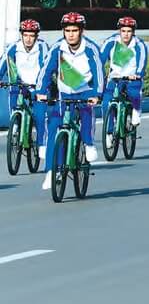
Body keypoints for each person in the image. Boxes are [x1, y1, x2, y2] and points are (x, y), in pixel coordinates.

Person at [35, 13, 105, 190]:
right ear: (63, 31)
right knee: (53, 130)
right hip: (63, 94)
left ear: (82, 31)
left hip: (84, 92)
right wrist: (40, 92)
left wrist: (97, 94)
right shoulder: (57, 48)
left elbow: (99, 72)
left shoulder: (91, 48)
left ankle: (88, 144)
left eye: (75, 30)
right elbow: (45, 70)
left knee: (87, 116)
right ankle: (51, 171)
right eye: (67, 31)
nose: (71, 34)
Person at [1, 19, 50, 159]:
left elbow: (47, 68)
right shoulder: (13, 48)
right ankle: (15, 124)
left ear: (36, 36)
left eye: (32, 36)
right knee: (13, 93)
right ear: (21, 35)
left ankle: (41, 145)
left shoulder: (42, 47)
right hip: (20, 84)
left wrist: (44, 88)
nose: (28, 39)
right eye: (26, 35)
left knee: (40, 116)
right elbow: (2, 66)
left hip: (37, 85)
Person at [99, 17, 149, 138]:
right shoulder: (111, 42)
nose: (126, 34)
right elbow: (100, 59)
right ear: (119, 31)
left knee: (134, 93)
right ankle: (109, 133)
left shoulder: (139, 44)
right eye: (123, 31)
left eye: (129, 31)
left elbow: (142, 60)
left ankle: (136, 110)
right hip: (115, 77)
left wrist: (138, 74)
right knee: (106, 103)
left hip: (132, 77)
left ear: (133, 32)